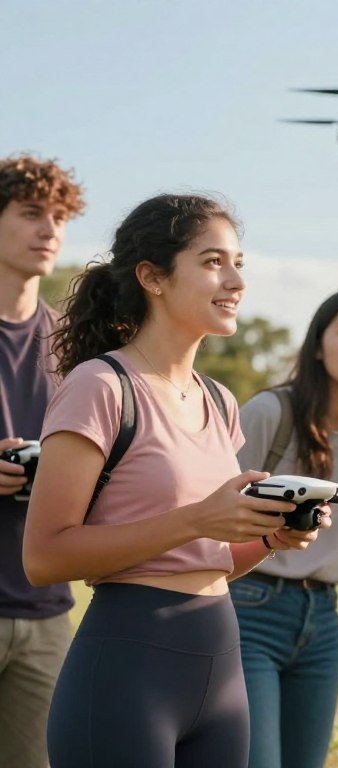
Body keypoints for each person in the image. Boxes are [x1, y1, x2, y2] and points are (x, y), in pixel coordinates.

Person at [22, 193, 321, 768]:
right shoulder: (100, 386)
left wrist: (268, 537)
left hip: (221, 669)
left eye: (238, 263)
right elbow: (45, 557)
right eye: (213, 262)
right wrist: (197, 518)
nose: (235, 281)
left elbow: (208, 559)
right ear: (152, 277)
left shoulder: (219, 400)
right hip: (126, 672)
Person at [230, 288, 338, 768]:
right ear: (317, 346)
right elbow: (213, 514)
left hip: (324, 619)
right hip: (251, 610)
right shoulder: (269, 412)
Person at [0, 154, 85, 768]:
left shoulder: (71, 347)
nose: (49, 229)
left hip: (45, 608)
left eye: (59, 217)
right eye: (32, 212)